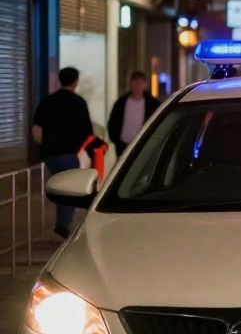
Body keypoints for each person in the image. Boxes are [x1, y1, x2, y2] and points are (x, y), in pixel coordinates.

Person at [31, 67, 94, 239]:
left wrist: (46, 145)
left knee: (59, 186)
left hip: (50, 154)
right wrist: (90, 153)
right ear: (75, 81)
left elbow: (36, 129)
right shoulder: (78, 102)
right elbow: (87, 131)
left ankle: (62, 222)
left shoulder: (47, 101)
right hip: (69, 154)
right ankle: (63, 223)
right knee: (69, 189)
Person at [107, 71, 160, 155]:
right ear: (130, 84)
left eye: (140, 82)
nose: (137, 86)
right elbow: (113, 123)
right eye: (135, 82)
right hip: (123, 146)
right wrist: (117, 141)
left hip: (144, 146)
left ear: (145, 84)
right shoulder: (121, 103)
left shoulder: (153, 104)